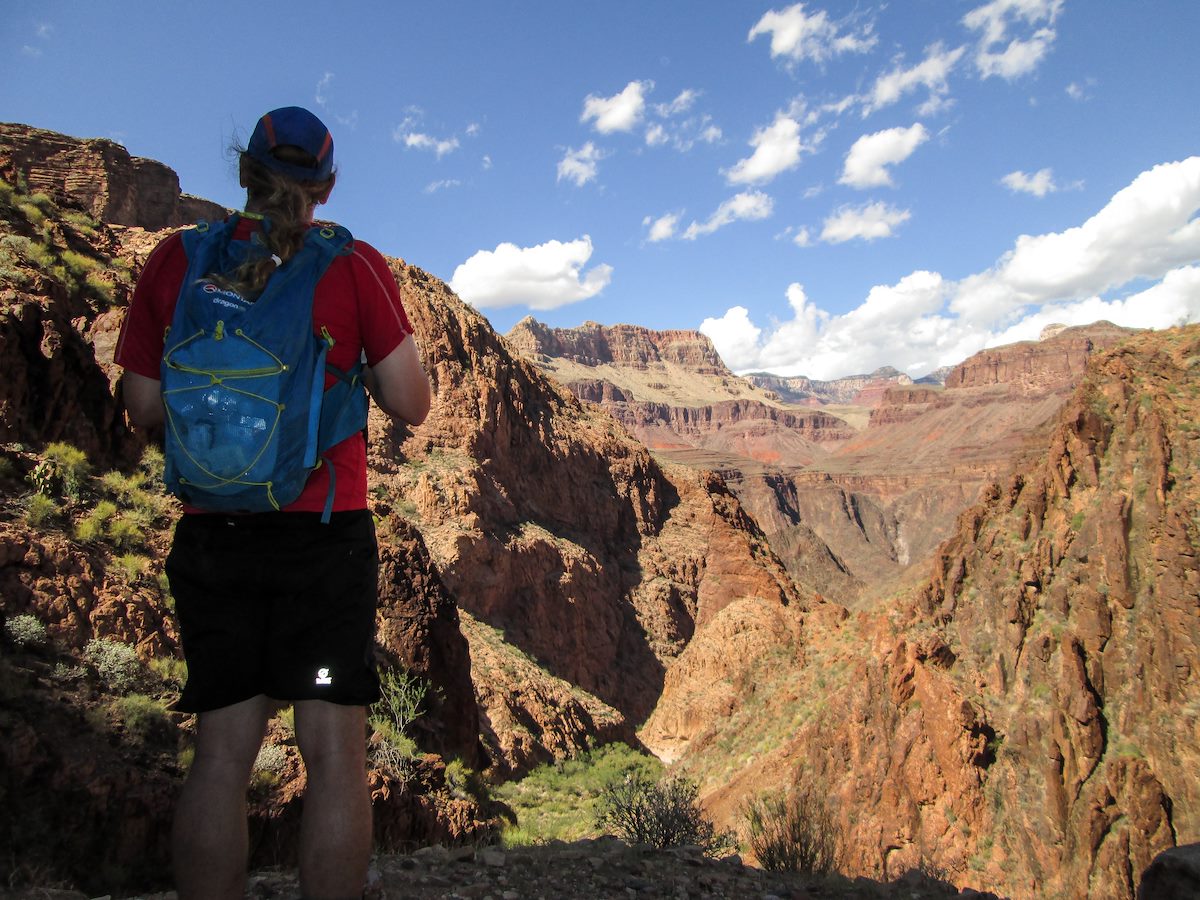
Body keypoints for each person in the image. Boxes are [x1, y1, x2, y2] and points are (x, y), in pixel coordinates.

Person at [115, 106, 431, 900]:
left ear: (245, 173)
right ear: (325, 184)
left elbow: (143, 404)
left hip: (214, 537)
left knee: (220, 754)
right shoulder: (350, 265)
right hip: (322, 534)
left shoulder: (176, 262)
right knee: (334, 756)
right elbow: (412, 402)